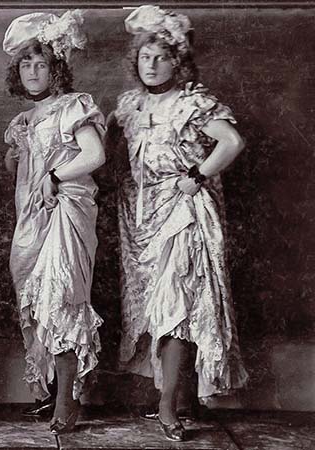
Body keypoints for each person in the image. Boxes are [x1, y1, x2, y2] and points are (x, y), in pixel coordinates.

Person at [110, 5, 248, 442]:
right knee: (155, 308)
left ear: (177, 61)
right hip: (139, 215)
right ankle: (178, 396)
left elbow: (232, 142)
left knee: (179, 305)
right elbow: (113, 155)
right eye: (144, 57)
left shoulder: (193, 103)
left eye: (160, 57)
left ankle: (169, 405)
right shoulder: (129, 107)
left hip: (183, 211)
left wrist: (198, 175)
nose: (150, 65)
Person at [2, 11, 106, 434]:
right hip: (30, 218)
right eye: (25, 64)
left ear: (56, 68)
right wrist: (15, 156)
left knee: (59, 296)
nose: (32, 72)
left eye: (41, 64)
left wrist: (56, 175)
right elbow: (17, 171)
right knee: (35, 302)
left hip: (65, 210)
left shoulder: (73, 106)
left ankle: (68, 400)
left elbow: (94, 155)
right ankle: (49, 391)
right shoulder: (22, 121)